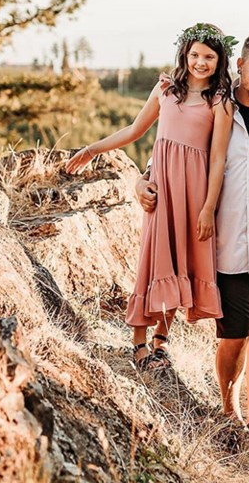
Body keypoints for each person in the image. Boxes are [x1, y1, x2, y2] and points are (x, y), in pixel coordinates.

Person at [135, 32, 249, 443]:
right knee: (232, 334)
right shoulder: (216, 103)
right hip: (224, 246)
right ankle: (227, 407)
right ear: (239, 67)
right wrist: (141, 182)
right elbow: (172, 149)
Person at [66, 22, 235, 370]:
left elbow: (218, 157)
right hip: (164, 190)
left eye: (209, 56)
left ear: (220, 60)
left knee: (181, 261)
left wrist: (208, 208)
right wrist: (92, 149)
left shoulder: (220, 102)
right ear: (184, 55)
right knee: (155, 259)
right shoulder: (165, 90)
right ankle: (138, 342)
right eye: (194, 55)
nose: (200, 62)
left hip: (196, 193)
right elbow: (134, 130)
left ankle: (162, 339)